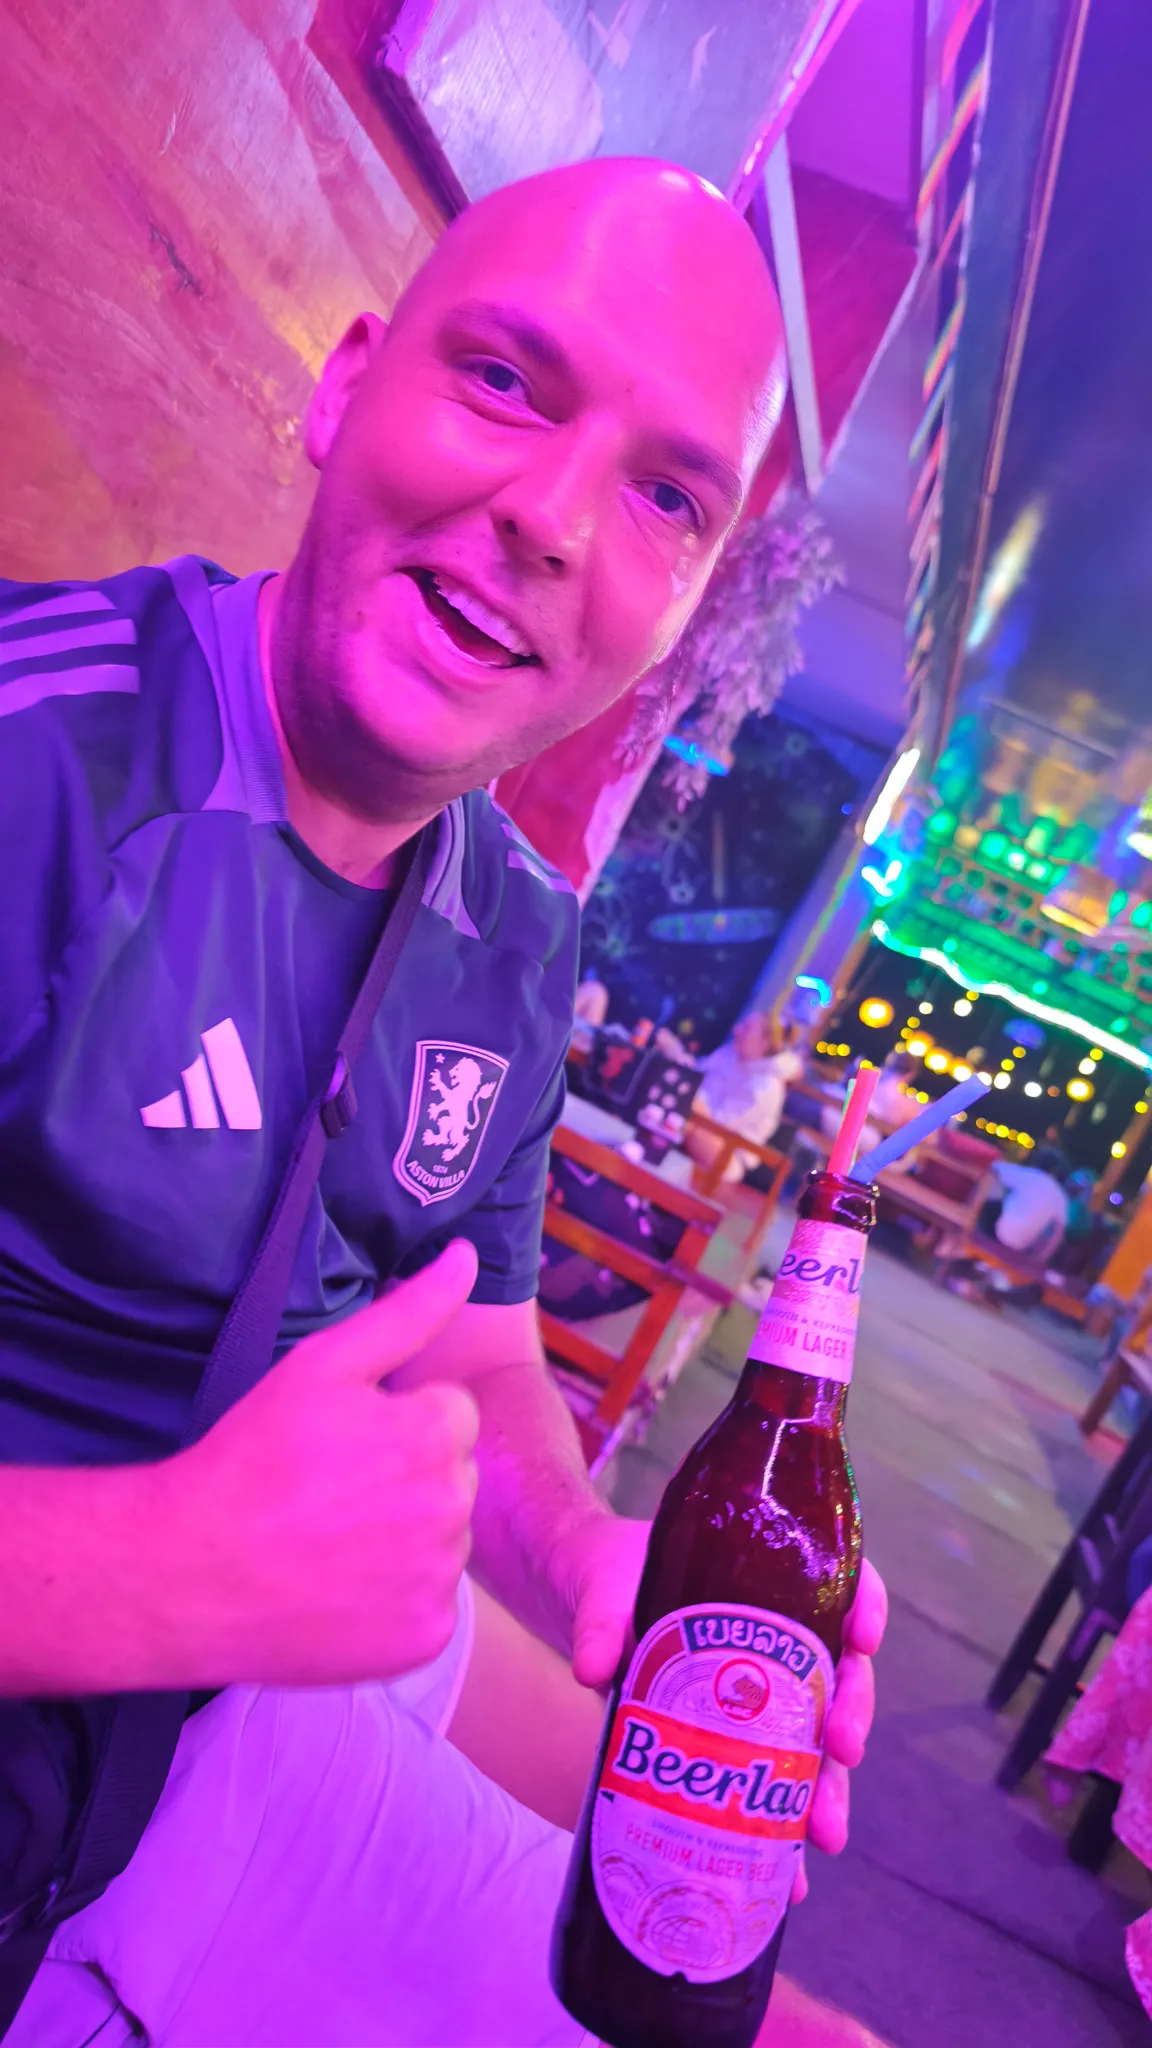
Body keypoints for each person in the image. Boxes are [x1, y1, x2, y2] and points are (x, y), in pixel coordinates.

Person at [0, 157, 885, 2047]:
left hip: (160, 1784)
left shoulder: (513, 935)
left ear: (683, 610)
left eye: (666, 495)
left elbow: (472, 1352)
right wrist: (153, 1578)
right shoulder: (41, 769)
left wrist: (589, 1562)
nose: (553, 520)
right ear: (343, 388)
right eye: (502, 380)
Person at [689, 1011, 804, 1182]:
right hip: (697, 1123)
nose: (736, 1029)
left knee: (683, 1114)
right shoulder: (729, 1054)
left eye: (746, 1028)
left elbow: (719, 1125)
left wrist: (691, 1098)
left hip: (728, 1154)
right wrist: (676, 1056)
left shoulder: (767, 1088)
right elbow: (696, 1074)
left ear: (764, 1043)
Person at [979, 1145, 1071, 1261]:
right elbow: (1058, 1234)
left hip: (996, 1232)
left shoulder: (1027, 1174)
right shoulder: (1061, 1196)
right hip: (1022, 1246)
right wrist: (1040, 1258)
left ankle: (972, 1228)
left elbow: (994, 1166)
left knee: (993, 1181)